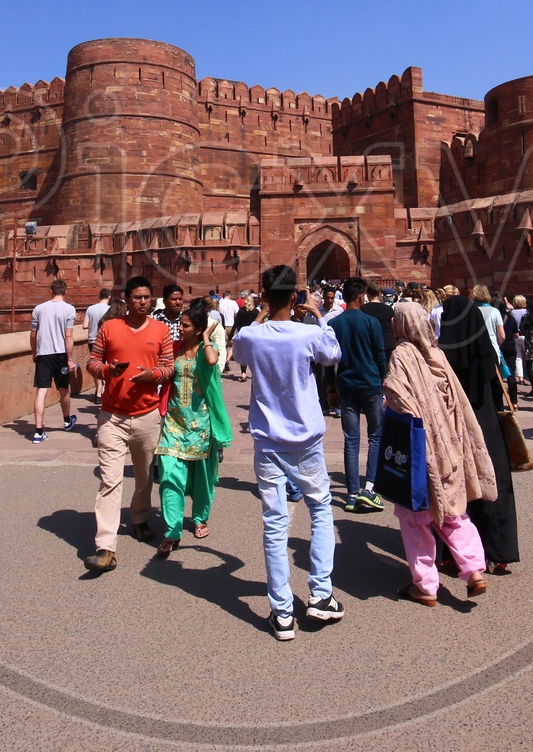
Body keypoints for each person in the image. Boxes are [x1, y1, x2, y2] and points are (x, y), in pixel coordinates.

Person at [230, 264, 346, 640]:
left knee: (275, 523)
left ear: (264, 295)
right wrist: (315, 313)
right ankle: (320, 595)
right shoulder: (307, 334)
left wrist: (263, 313)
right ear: (296, 295)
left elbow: (239, 349)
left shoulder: (252, 336)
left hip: (268, 442)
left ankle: (281, 613)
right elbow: (333, 354)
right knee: (320, 511)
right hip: (306, 440)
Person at [384, 301, 496, 605]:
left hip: (419, 448)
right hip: (449, 445)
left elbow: (396, 395)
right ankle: (473, 569)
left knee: (415, 519)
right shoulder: (438, 355)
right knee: (453, 512)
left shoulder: (401, 355)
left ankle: (425, 586)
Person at [83, 276, 174, 572]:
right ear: (127, 299)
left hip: (147, 416)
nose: (143, 302)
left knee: (145, 478)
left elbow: (169, 368)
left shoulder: (161, 330)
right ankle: (106, 546)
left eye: (147, 297)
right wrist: (107, 370)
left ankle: (138, 518)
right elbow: (92, 362)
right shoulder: (110, 328)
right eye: (138, 297)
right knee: (110, 480)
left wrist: (154, 376)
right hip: (113, 416)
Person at [437, 293, 520, 574]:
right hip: (486, 426)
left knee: (457, 488)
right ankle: (500, 552)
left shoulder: (444, 356)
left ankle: (455, 552)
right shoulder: (485, 350)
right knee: (494, 485)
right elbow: (497, 392)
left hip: (456, 429)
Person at [155, 300, 233, 555]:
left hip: (201, 425)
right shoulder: (174, 348)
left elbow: (212, 360)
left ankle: (199, 518)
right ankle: (172, 530)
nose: (180, 328)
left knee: (202, 478)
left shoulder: (203, 350)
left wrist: (208, 336)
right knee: (169, 476)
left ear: (198, 329)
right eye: (180, 323)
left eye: (185, 325)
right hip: (174, 423)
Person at [328, 277, 389, 513]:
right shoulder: (371, 322)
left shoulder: (335, 323)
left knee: (351, 440)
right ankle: (370, 489)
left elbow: (330, 359)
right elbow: (380, 355)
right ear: (362, 296)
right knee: (375, 436)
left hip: (347, 385)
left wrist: (332, 387)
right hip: (371, 384)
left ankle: (352, 494)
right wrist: (384, 379)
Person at [29, 279, 78, 443]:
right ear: (66, 291)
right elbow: (69, 336)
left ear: (51, 291)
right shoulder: (70, 309)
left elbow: (33, 334)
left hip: (43, 353)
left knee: (41, 391)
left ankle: (38, 431)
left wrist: (34, 352)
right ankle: (66, 421)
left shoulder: (39, 309)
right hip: (60, 354)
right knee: (64, 388)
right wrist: (70, 359)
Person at [470, 285, 509, 389]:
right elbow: (502, 335)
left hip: (474, 350)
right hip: (492, 349)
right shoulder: (495, 311)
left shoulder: (469, 311)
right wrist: (497, 344)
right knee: (495, 384)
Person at [83, 288, 113, 400]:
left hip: (92, 339)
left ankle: (98, 392)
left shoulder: (91, 309)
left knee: (96, 365)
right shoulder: (110, 309)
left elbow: (85, 325)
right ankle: (105, 391)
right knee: (106, 365)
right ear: (109, 297)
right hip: (106, 339)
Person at [360, 282, 396, 361]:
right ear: (379, 294)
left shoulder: (363, 309)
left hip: (371, 344)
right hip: (388, 342)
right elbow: (393, 327)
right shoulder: (388, 309)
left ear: (367, 294)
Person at [504, 295, 528, 398]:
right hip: (525, 336)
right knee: (529, 357)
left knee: (518, 357)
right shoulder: (527, 312)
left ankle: (520, 377)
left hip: (515, 337)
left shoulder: (511, 313)